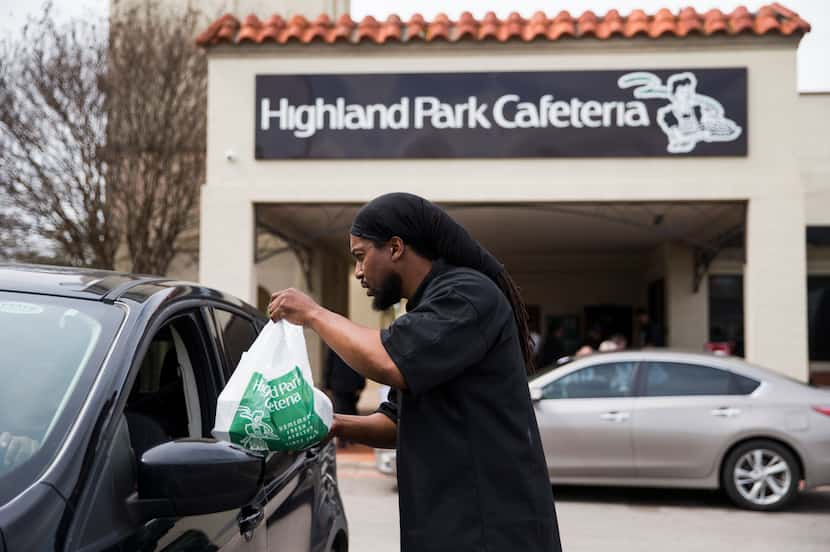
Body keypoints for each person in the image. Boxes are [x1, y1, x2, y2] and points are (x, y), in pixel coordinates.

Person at [268, 193, 561, 552]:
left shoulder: (466, 296)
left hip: (490, 527)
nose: (358, 271)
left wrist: (315, 315)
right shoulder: (429, 310)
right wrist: (336, 426)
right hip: (447, 525)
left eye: (361, 256)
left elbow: (388, 361)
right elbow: (398, 422)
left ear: (394, 247)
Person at [323, 348, 366, 447]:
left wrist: (327, 385)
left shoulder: (338, 346)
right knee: (345, 410)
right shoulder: (334, 347)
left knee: (347, 410)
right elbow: (329, 365)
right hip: (343, 384)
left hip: (345, 384)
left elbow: (328, 365)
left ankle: (349, 438)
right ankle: (345, 438)